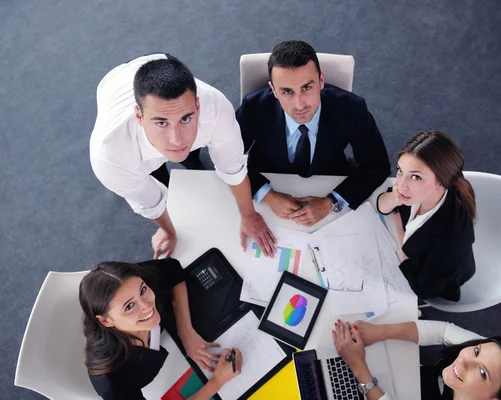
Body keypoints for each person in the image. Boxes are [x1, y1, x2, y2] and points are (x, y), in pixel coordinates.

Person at [90, 54, 277, 259]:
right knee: (157, 177)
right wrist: (169, 233)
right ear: (139, 117)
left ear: (198, 106)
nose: (177, 139)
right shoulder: (111, 158)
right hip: (114, 84)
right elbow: (150, 203)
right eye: (161, 123)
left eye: (186, 118)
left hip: (158, 60)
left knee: (189, 154)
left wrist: (249, 215)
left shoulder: (214, 107)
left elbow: (234, 167)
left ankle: (192, 159)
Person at [236, 40, 390, 227]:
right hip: (266, 183)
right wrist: (266, 195)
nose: (299, 104)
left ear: (321, 81)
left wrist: (332, 202)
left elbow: (377, 166)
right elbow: (228, 160)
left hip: (329, 181)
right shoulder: (253, 107)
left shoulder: (351, 108)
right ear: (273, 90)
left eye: (307, 88)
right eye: (286, 91)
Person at [79, 258, 243, 399]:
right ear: (106, 321)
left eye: (143, 290)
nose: (147, 305)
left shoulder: (130, 281)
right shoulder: (111, 380)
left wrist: (186, 332)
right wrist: (218, 380)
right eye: (129, 306)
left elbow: (172, 268)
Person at [332, 319, 501, 400]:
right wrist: (380, 331)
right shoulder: (494, 355)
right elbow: (443, 331)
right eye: (477, 351)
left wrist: (359, 367)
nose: (463, 361)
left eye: (482, 373)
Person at [376, 131, 476, 301]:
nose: (400, 185)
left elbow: (423, 290)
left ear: (442, 181)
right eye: (400, 171)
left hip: (437, 279)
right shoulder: (414, 193)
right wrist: (394, 198)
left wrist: (400, 242)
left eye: (415, 177)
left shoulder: (451, 235)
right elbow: (382, 206)